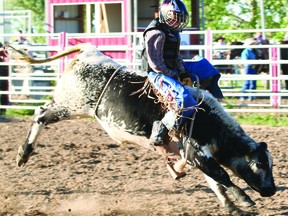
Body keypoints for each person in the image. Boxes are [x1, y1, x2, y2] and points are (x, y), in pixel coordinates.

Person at [142, 0, 196, 146]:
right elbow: (156, 64)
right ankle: (161, 127)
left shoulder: (173, 32)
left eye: (180, 19)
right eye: (175, 18)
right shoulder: (156, 32)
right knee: (185, 100)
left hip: (171, 70)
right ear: (165, 15)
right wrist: (175, 76)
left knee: (204, 67)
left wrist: (184, 73)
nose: (178, 23)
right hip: (158, 74)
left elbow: (176, 56)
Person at [0, 42, 9, 115]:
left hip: (2, 69)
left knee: (3, 90)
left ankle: (3, 109)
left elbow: (4, 51)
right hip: (2, 69)